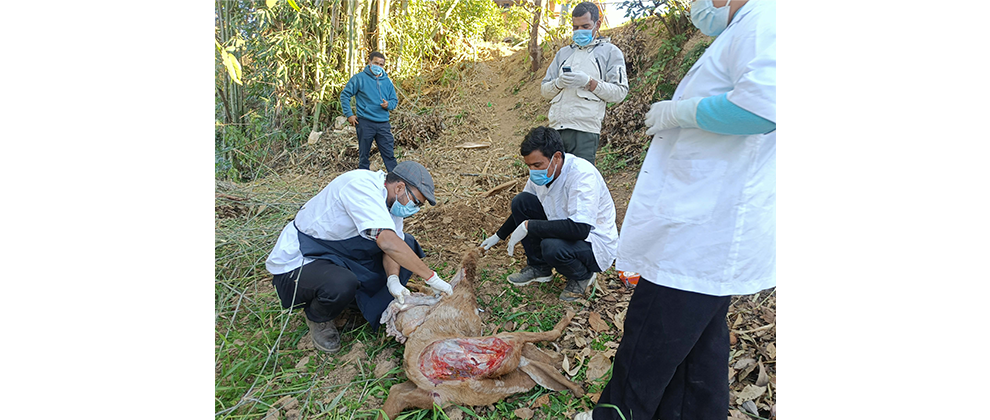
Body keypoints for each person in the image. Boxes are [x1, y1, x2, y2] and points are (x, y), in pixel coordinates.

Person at [575, 1, 776, 419]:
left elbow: (761, 107)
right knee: (700, 353)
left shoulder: (766, 19)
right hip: (707, 230)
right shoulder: (748, 27)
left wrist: (679, 112)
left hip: (698, 233)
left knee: (647, 346)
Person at [264, 161, 453, 353]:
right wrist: (432, 278)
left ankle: (354, 306)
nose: (415, 209)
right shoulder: (360, 185)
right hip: (304, 260)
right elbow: (387, 242)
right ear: (400, 187)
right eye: (416, 202)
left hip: (341, 254)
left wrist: (393, 279)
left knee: (407, 245)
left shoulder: (392, 205)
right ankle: (318, 316)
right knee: (341, 283)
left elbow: (392, 248)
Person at [479, 126, 618, 301]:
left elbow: (580, 229)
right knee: (521, 201)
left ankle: (582, 275)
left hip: (593, 242)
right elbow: (523, 208)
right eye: (529, 165)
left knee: (552, 247)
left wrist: (530, 226)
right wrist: (499, 235)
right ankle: (539, 268)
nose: (533, 171)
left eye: (537, 165)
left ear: (557, 157)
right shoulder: (542, 173)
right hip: (562, 225)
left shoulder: (582, 175)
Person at [540, 1, 629, 165]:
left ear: (597, 24)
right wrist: (559, 83)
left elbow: (620, 92)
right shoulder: (563, 53)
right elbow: (545, 91)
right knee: (555, 184)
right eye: (575, 27)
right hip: (556, 129)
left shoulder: (610, 52)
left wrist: (590, 82)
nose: (579, 31)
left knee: (580, 184)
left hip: (585, 131)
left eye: (585, 26)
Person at [340, 51, 400, 172]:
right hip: (365, 122)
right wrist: (349, 115)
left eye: (381, 64)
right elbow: (345, 95)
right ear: (370, 62)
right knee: (364, 156)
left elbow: (394, 100)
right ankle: (364, 182)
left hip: (383, 123)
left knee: (389, 154)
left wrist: (388, 105)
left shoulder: (387, 81)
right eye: (376, 63)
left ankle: (396, 181)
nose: (378, 66)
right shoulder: (359, 78)